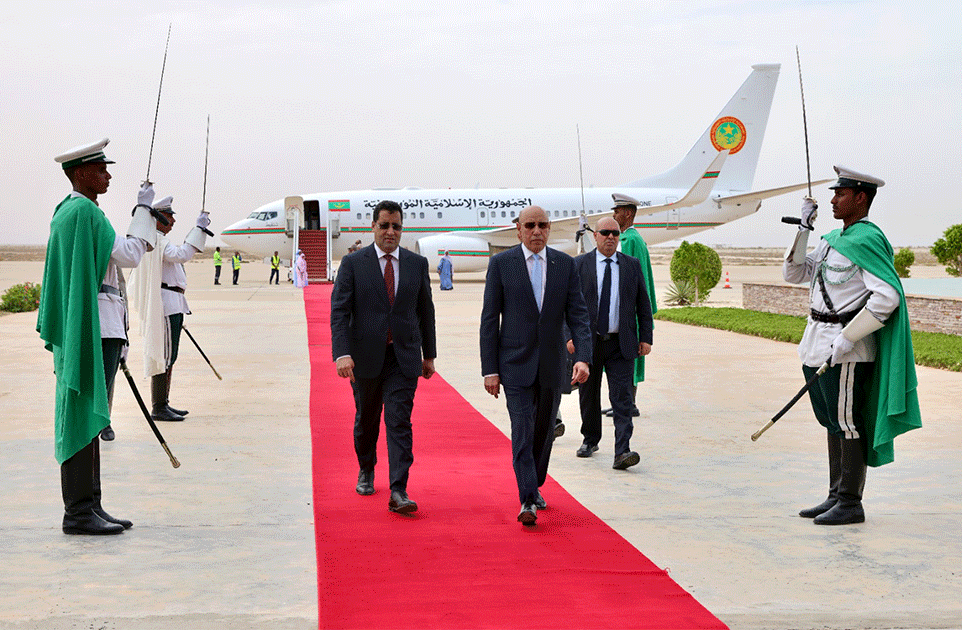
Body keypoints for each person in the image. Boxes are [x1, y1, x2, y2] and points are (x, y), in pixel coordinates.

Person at [783, 165, 921, 526]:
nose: (832, 200)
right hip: (817, 340)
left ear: (860, 197)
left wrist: (847, 338)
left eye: (840, 194)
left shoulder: (868, 240)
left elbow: (887, 296)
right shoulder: (831, 239)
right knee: (832, 421)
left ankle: (850, 501)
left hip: (847, 349)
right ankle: (834, 495)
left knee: (848, 422)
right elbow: (795, 273)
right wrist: (803, 229)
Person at [37, 138, 156, 535]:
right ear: (81, 173)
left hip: (100, 327)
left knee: (91, 416)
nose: (108, 175)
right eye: (102, 170)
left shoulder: (72, 212)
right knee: (85, 416)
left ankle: (92, 505)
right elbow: (130, 255)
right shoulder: (84, 212)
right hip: (95, 329)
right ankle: (79, 512)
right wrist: (143, 212)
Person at [480, 205, 592, 527]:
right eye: (530, 225)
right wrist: (490, 369)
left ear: (549, 228)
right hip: (514, 366)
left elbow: (579, 317)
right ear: (518, 230)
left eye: (542, 225)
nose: (537, 231)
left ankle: (535, 482)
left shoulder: (564, 265)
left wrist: (582, 356)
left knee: (544, 434)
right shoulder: (502, 265)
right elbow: (490, 320)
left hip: (553, 366)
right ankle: (527, 498)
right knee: (523, 431)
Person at [331, 200, 437, 515]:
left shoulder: (416, 264)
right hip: (364, 358)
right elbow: (340, 311)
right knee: (367, 418)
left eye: (397, 227)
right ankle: (366, 468)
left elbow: (425, 311)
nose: (391, 232)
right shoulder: (353, 264)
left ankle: (399, 489)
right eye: (385, 225)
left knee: (399, 420)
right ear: (374, 226)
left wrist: (428, 355)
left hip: (403, 358)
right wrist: (342, 353)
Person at [572, 217, 653, 469]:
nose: (610, 237)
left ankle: (622, 451)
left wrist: (646, 338)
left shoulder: (631, 265)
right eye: (605, 233)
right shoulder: (580, 265)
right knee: (588, 394)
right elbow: (568, 306)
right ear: (595, 236)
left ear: (619, 238)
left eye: (615, 234)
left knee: (622, 398)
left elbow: (644, 304)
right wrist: (568, 336)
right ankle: (590, 439)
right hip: (589, 343)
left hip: (622, 343)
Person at [129, 196, 209, 422]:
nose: (173, 220)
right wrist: (198, 230)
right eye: (170, 215)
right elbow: (181, 255)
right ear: (159, 217)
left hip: (173, 303)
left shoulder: (159, 239)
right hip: (166, 304)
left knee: (169, 356)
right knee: (163, 355)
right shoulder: (156, 239)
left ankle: (164, 402)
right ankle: (158, 406)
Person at [604, 193, 658, 419]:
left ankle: (629, 403)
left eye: (617, 212)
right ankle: (623, 401)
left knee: (630, 359)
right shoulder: (629, 238)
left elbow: (633, 279)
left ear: (627, 213)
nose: (614, 215)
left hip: (631, 311)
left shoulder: (630, 241)